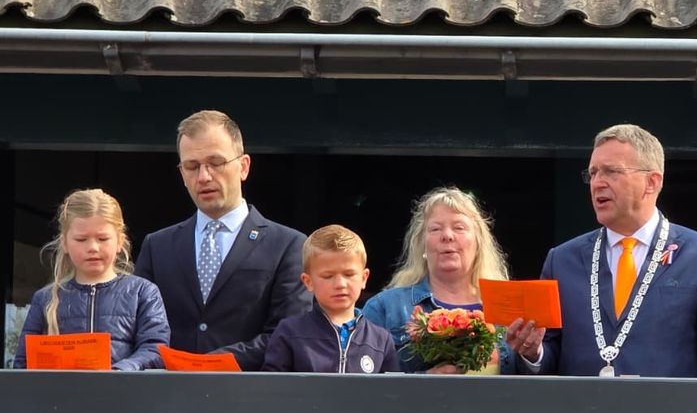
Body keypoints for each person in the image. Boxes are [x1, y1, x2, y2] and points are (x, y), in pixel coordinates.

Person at [505, 124, 697, 377]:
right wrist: (533, 353)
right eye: (593, 173)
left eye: (611, 172)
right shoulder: (562, 260)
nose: (597, 183)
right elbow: (551, 353)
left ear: (651, 182)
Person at [135, 110, 312, 371]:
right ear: (182, 174)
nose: (204, 176)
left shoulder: (288, 245)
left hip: (250, 400)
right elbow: (140, 329)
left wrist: (212, 363)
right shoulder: (157, 246)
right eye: (192, 166)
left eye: (215, 163)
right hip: (169, 400)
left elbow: (289, 333)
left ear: (244, 166)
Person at [362, 187, 516, 374]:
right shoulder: (384, 307)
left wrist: (522, 356)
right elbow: (365, 385)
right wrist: (426, 379)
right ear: (422, 243)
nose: (447, 236)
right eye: (435, 229)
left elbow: (537, 377)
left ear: (478, 243)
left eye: (459, 227)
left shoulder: (509, 308)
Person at [15, 188, 169, 370]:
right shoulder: (45, 298)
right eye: (81, 240)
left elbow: (155, 348)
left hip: (123, 394)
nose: (93, 247)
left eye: (103, 238)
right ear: (64, 243)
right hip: (60, 397)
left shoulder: (143, 292)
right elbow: (23, 364)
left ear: (120, 241)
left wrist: (123, 369)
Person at [262, 225, 400, 374]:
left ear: (364, 278)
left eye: (349, 274)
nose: (340, 284)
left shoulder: (381, 340)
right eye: (328, 276)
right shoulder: (289, 332)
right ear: (308, 282)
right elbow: (272, 390)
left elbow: (391, 393)